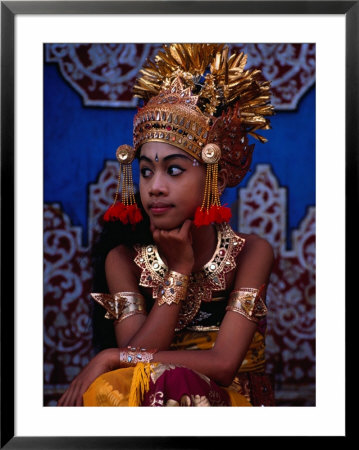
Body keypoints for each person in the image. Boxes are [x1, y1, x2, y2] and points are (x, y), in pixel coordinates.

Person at [57, 43, 275, 407]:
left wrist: (110, 355)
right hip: (154, 401)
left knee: (171, 381)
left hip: (232, 404)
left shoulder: (251, 252)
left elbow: (222, 365)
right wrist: (179, 271)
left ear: (216, 180)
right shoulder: (124, 259)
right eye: (145, 171)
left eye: (174, 170)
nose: (155, 187)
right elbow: (134, 368)